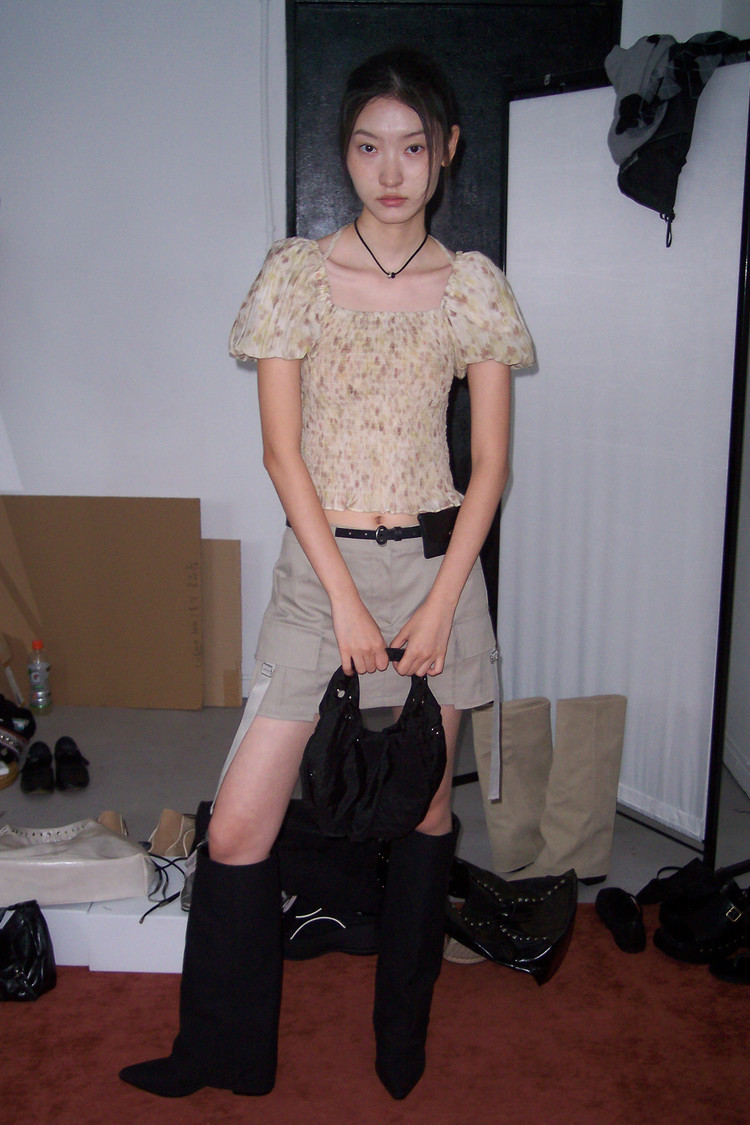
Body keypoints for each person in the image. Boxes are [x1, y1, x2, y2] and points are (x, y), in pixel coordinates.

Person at [119, 46, 533, 1102]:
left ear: (447, 150)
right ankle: (219, 1054)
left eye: (412, 148)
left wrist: (441, 603)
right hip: (321, 576)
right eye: (367, 147)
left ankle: (402, 1043)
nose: (390, 172)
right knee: (240, 824)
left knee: (425, 814)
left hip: (439, 573)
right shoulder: (296, 275)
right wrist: (346, 601)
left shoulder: (473, 286)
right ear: (342, 153)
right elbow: (281, 454)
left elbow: (490, 466)